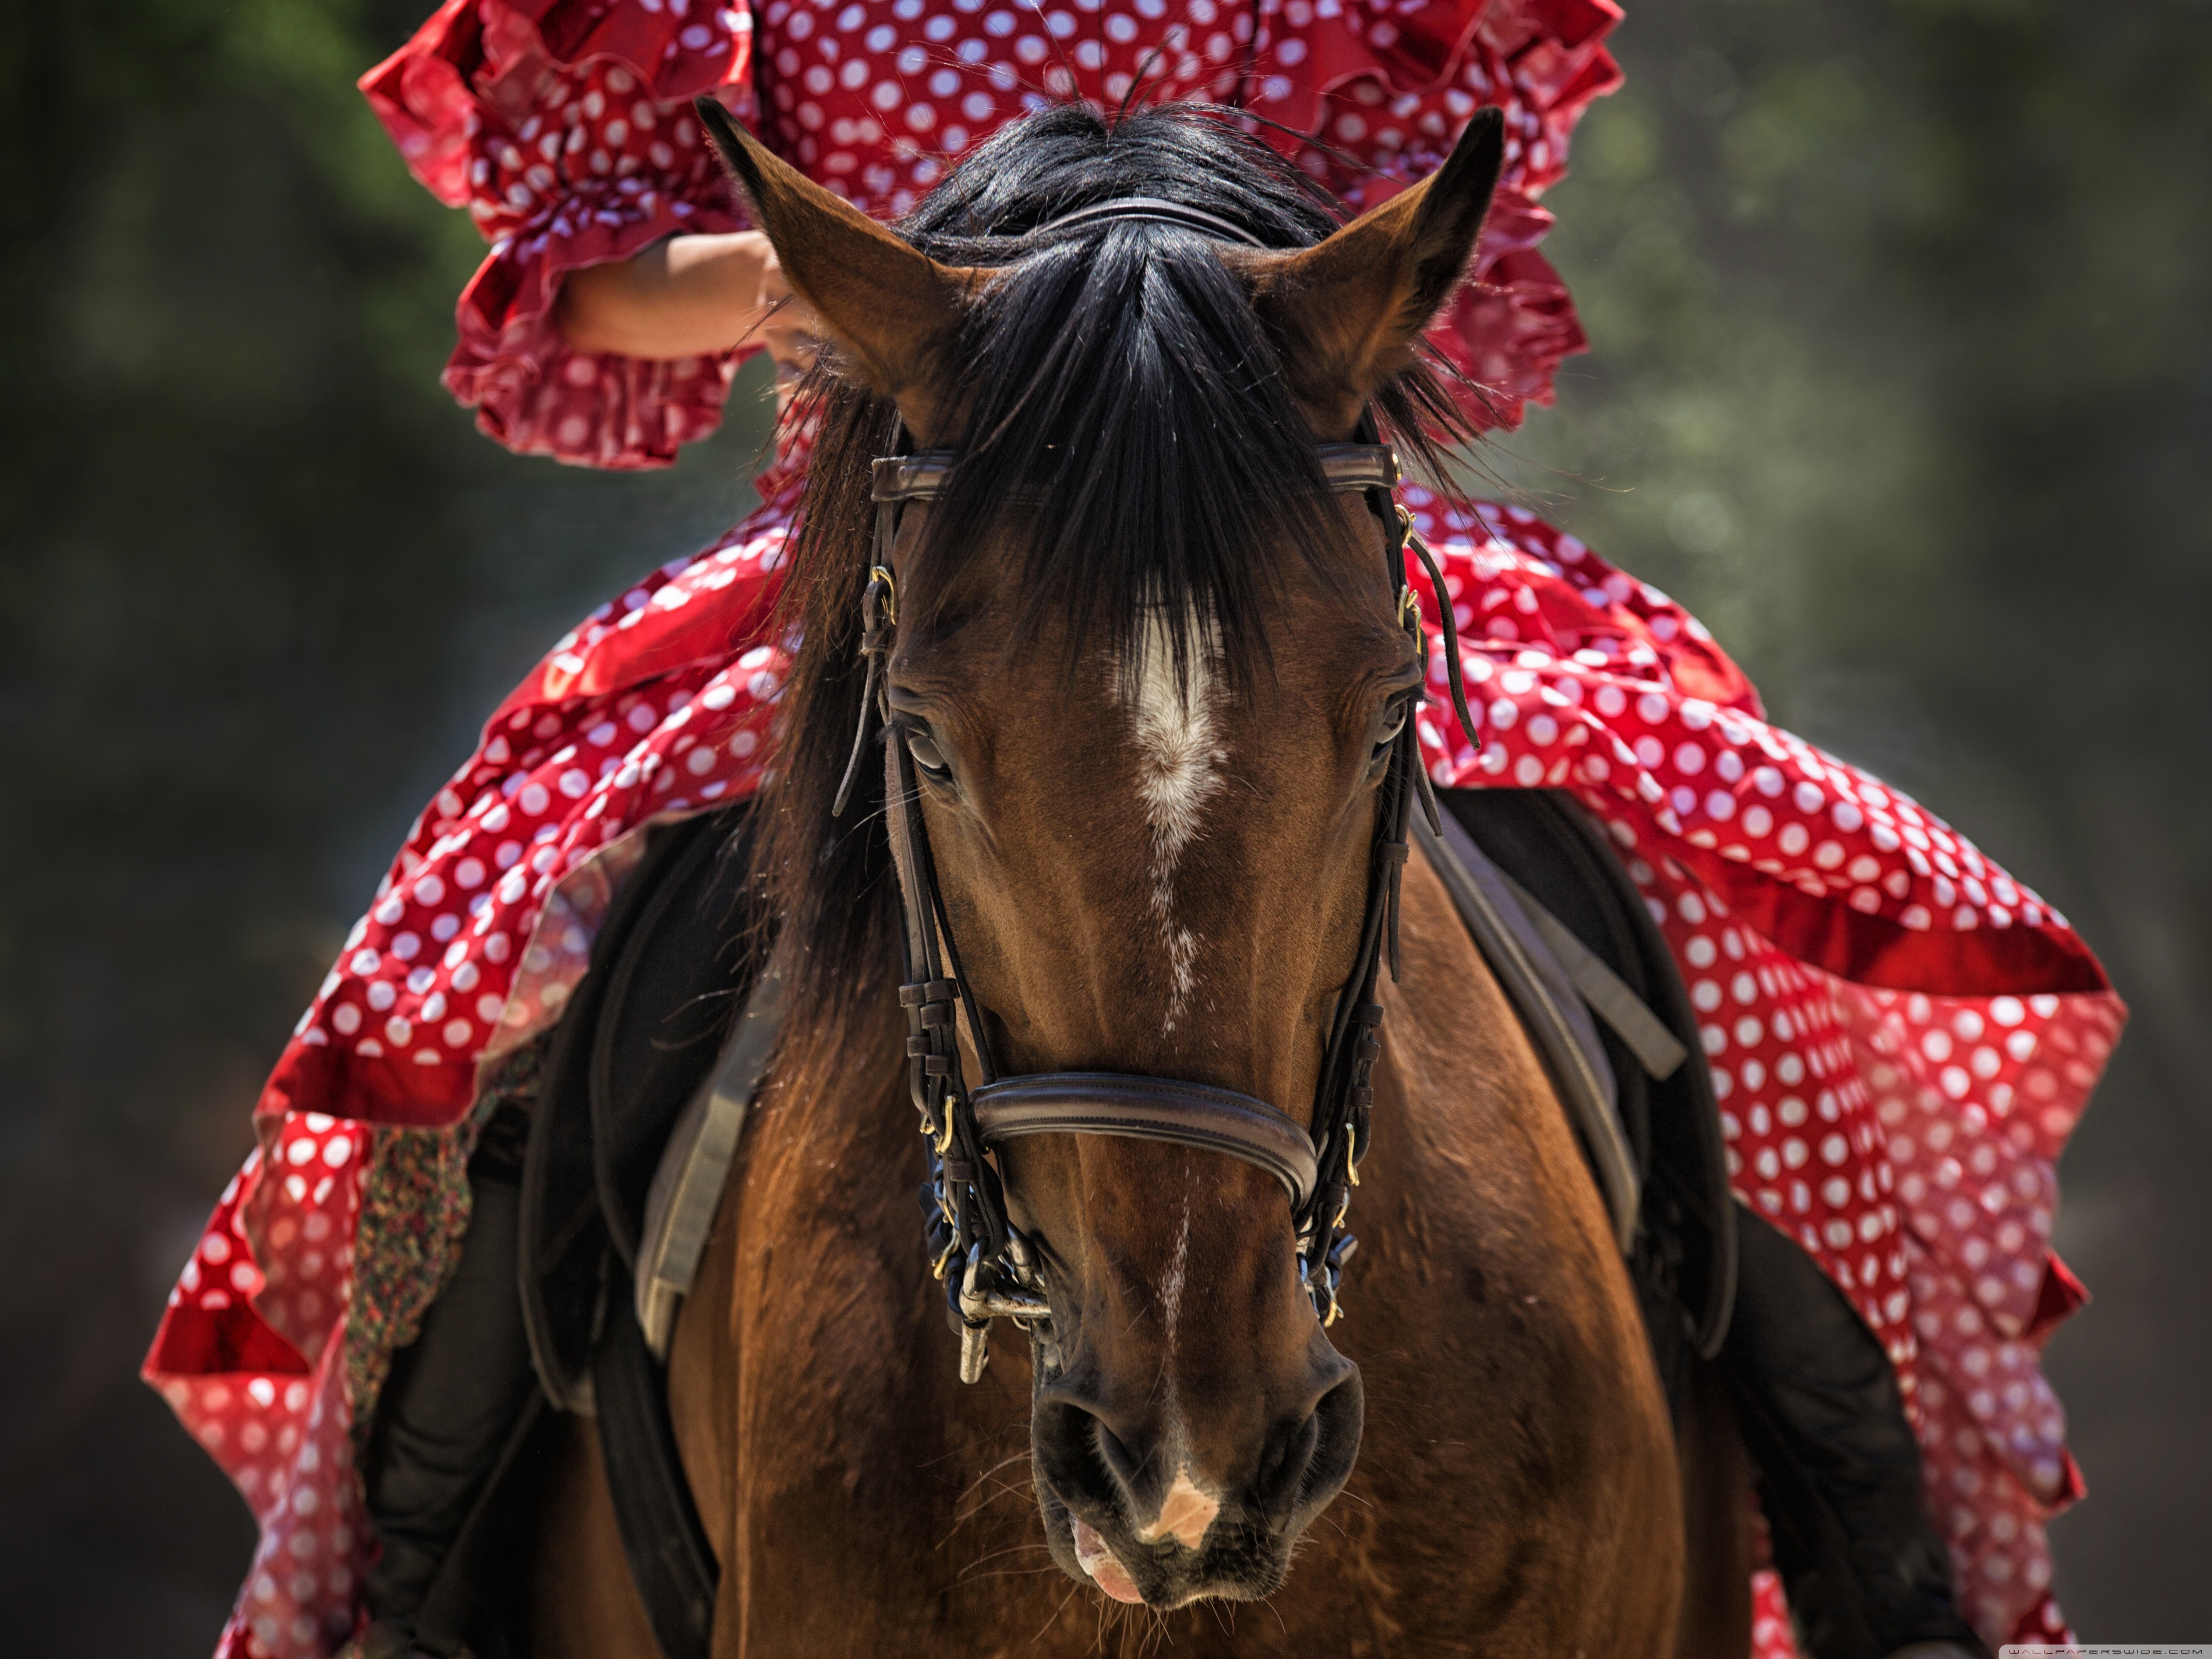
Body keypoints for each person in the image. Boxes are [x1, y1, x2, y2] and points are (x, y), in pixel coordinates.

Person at [140, 3, 2124, 1656]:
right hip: (915, 550)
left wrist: (1181, 297)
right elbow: (597, 286)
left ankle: (1876, 1547)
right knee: (521, 982)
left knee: (1714, 903)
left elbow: (1433, 234)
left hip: (1257, 529)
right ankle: (418, 1569)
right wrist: (912, 290)